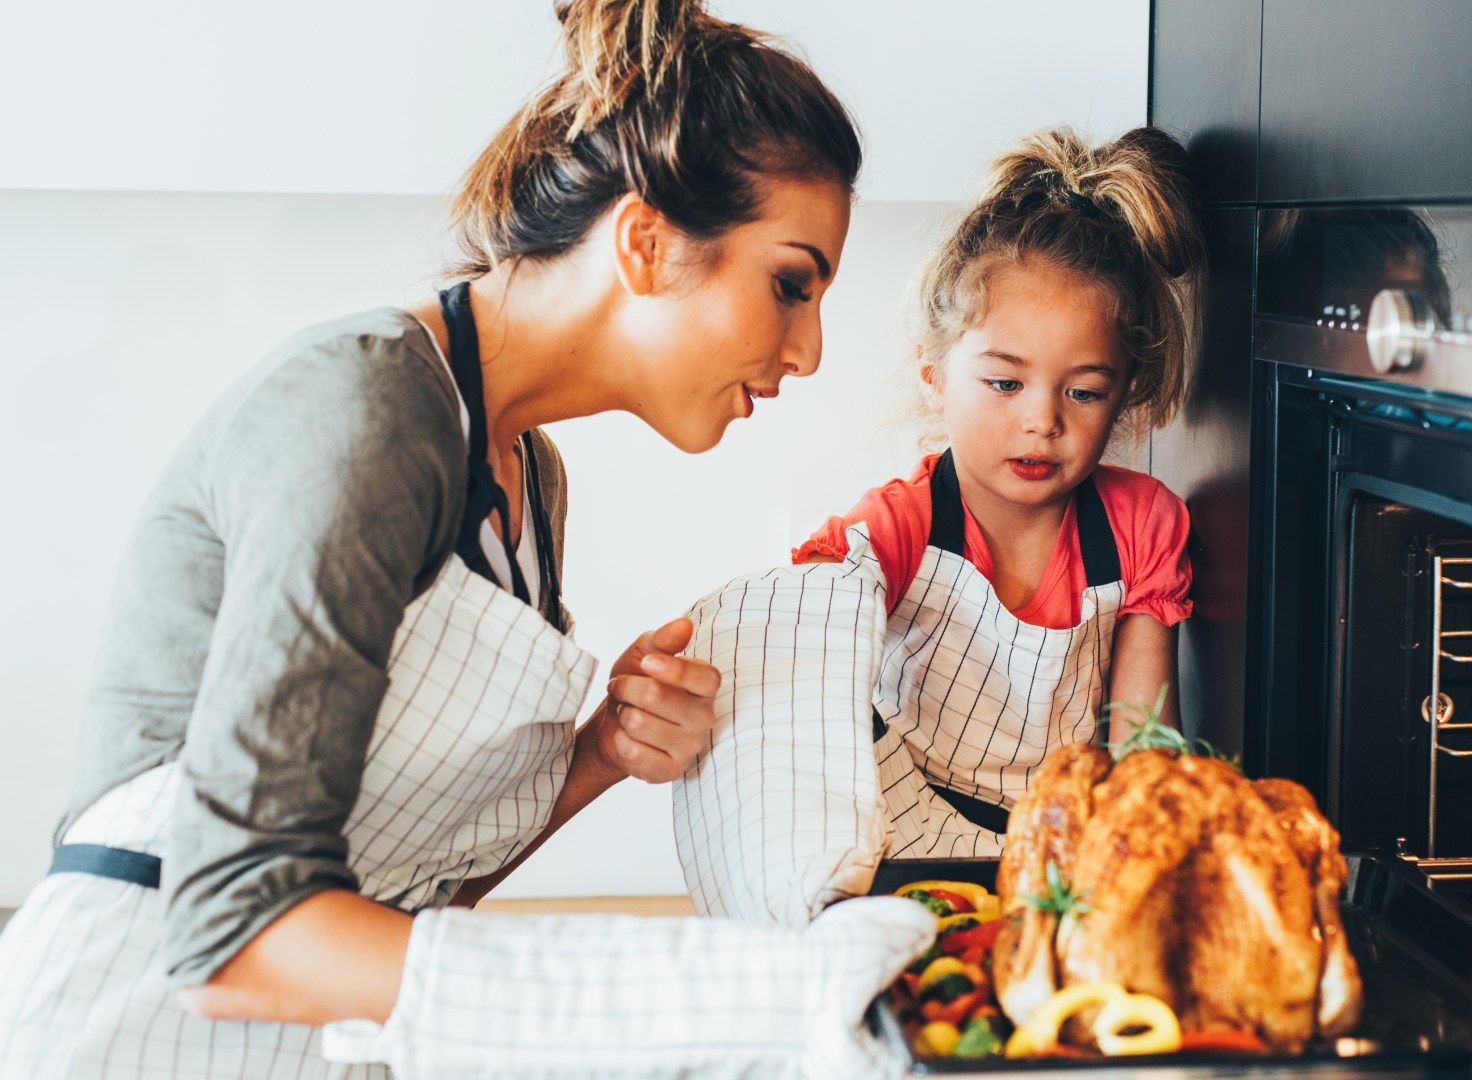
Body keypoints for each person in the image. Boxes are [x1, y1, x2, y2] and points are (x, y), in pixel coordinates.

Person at [0, 1, 932, 1077]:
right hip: (121, 1036)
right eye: (789, 283)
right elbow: (234, 933)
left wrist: (598, 757)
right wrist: (704, 995)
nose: (806, 350)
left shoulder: (532, 481)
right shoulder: (367, 407)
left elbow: (406, 897)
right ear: (643, 241)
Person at [790, 127, 1205, 852]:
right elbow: (808, 636)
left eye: (1083, 391)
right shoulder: (900, 523)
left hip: (1060, 848)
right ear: (934, 373)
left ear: (1124, 395)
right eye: (1005, 382)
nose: (1041, 420)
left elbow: (1143, 747)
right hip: (904, 833)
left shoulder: (1142, 526)